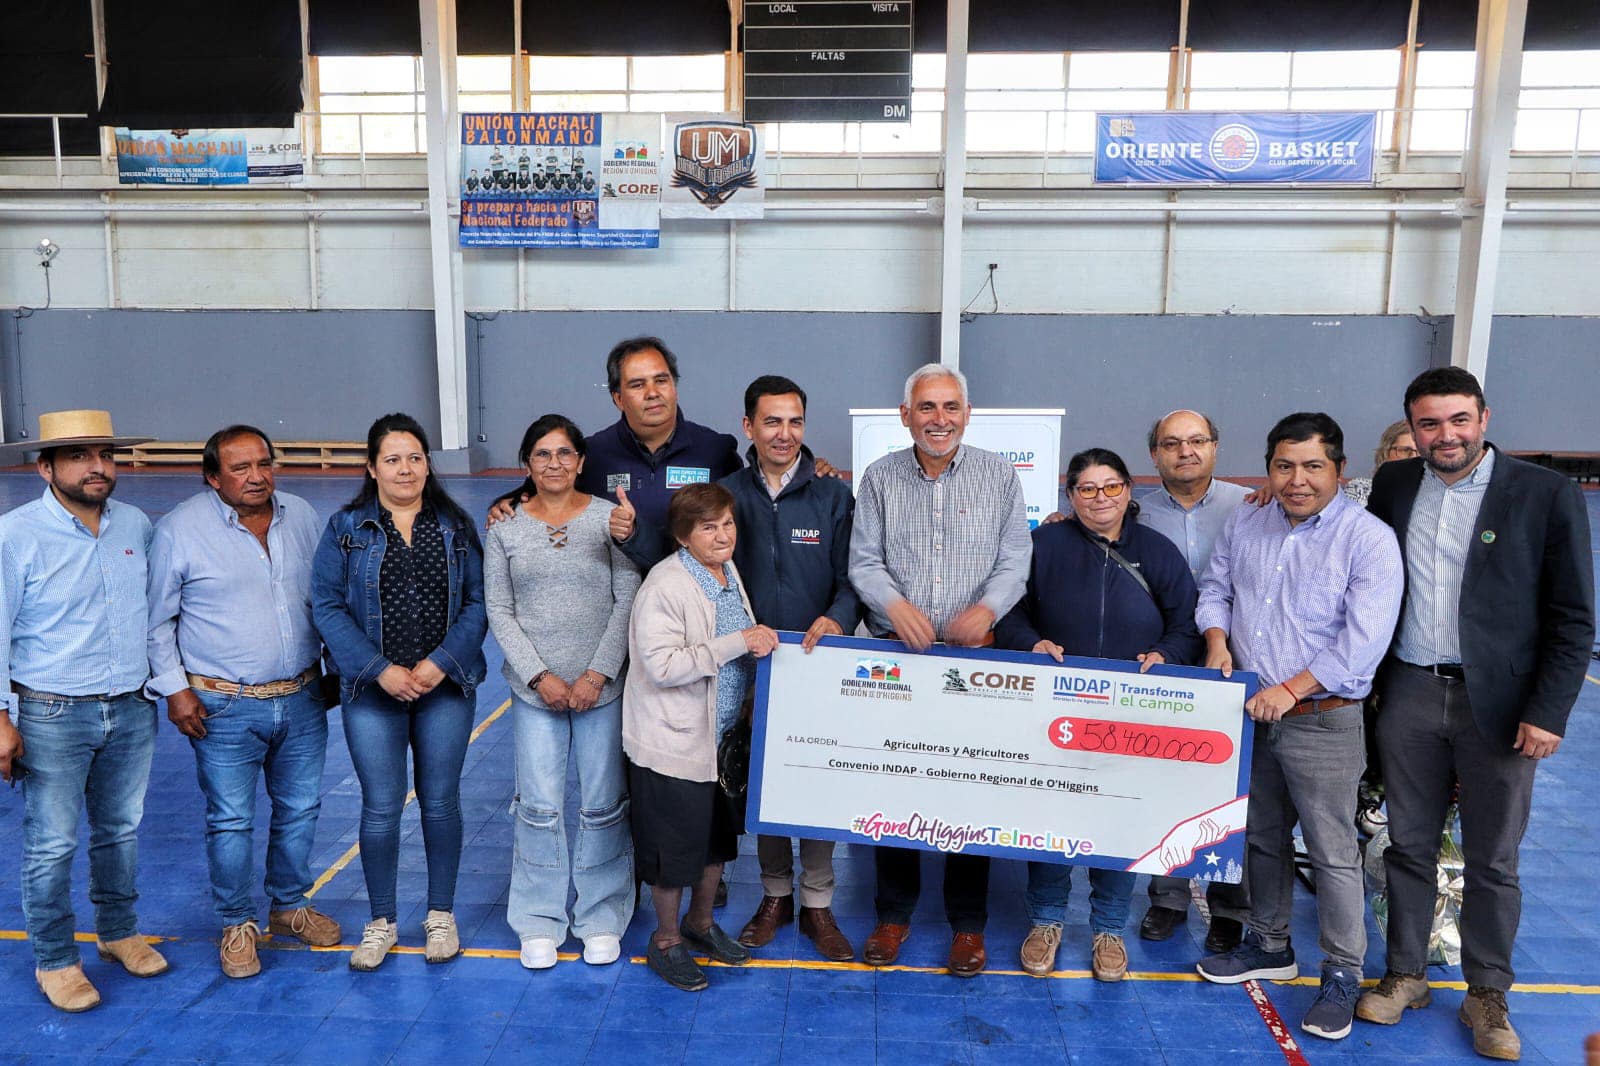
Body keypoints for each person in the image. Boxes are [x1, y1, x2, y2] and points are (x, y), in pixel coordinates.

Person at [1356, 367, 1594, 1061]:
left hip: (1503, 705)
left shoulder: (1544, 493)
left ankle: (1487, 992)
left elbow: (1573, 616)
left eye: (1459, 419)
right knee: (1407, 845)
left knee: (1493, 857)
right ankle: (1405, 974)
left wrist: (1549, 711)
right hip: (1409, 691)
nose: (1446, 435)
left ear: (1483, 418)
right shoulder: (1395, 485)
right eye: (1429, 423)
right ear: (1412, 427)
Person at [1194, 412, 1403, 1042]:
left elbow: (1362, 644)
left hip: (1322, 720)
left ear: (1339, 469)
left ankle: (1341, 973)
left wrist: (1291, 689)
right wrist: (1216, 641)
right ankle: (1270, 944)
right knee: (1262, 837)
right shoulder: (1248, 520)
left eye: (1313, 466)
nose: (1297, 480)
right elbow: (1216, 587)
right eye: (1284, 466)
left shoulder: (1368, 540)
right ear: (1268, 469)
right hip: (1252, 715)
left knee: (1333, 853)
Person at [849, 363, 1031, 978]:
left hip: (975, 664)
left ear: (967, 414)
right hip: (897, 661)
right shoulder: (879, 478)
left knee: (969, 787)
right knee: (895, 781)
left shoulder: (999, 475)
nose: (939, 419)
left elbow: (1016, 558)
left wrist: (989, 609)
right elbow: (863, 561)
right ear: (906, 416)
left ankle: (968, 926)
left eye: (950, 407)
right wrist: (894, 605)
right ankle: (893, 915)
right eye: (926, 407)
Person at [996, 447, 1202, 981]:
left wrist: (1167, 655)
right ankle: (1045, 921)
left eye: (1111, 486)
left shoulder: (1158, 551)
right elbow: (1009, 613)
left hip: (1130, 717)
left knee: (1119, 820)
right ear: (1070, 496)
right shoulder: (1043, 546)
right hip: (1054, 711)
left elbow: (1186, 625)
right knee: (1052, 818)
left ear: (1128, 491)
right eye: (1087, 488)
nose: (1100, 498)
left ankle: (1109, 929)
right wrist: (1032, 642)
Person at [145, 425, 339, 979]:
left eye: (263, 463)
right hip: (223, 705)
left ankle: (289, 907)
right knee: (231, 820)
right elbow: (156, 621)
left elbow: (325, 599)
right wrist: (176, 690)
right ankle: (236, 924)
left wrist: (332, 666)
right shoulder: (180, 530)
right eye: (240, 468)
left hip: (303, 696)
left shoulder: (303, 516)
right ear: (213, 477)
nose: (257, 476)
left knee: (301, 808)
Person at [0, 409, 167, 1012]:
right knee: (52, 843)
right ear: (45, 468)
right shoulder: (14, 535)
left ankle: (118, 932)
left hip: (130, 705)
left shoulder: (135, 524)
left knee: (120, 831)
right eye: (78, 456)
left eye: (104, 455)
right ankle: (55, 960)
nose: (97, 467)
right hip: (51, 712)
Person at [311, 413, 487, 972]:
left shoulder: (455, 526)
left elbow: (478, 602)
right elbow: (327, 606)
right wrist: (378, 669)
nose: (405, 469)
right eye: (392, 459)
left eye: (414, 457)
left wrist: (440, 663)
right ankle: (381, 920)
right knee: (381, 807)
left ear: (428, 465)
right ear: (372, 467)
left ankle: (441, 914)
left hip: (444, 689)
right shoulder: (345, 528)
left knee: (441, 802)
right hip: (373, 692)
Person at [484, 414, 640, 971]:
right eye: (542, 454)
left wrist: (598, 674)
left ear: (580, 462)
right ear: (527, 464)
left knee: (603, 805)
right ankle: (538, 920)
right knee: (538, 807)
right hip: (536, 696)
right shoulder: (503, 529)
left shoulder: (608, 520)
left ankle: (602, 916)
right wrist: (538, 677)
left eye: (564, 453)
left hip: (603, 690)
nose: (554, 464)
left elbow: (628, 597)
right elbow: (499, 609)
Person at [722, 376, 860, 962]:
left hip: (818, 664)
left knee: (818, 780)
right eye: (772, 421)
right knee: (768, 783)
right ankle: (775, 895)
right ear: (748, 426)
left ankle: (818, 903)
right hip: (753, 668)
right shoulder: (727, 495)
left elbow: (853, 578)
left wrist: (837, 619)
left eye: (795, 421)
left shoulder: (832, 495)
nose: (785, 433)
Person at [623, 483, 778, 991]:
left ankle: (701, 923)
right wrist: (740, 642)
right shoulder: (665, 585)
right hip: (675, 743)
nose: (723, 535)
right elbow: (663, 666)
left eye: (727, 524)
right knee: (674, 853)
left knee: (716, 842)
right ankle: (666, 939)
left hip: (722, 739)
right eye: (708, 527)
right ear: (683, 536)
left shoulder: (727, 573)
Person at [1134, 409, 1254, 953]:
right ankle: (1168, 897)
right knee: (1168, 781)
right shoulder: (1135, 511)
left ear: (1215, 446)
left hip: (1237, 661)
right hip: (1166, 661)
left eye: (1197, 440)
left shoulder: (1253, 505)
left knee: (1236, 786)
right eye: (1172, 443)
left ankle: (1230, 908)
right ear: (1155, 453)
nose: (1186, 451)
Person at [491, 337, 742, 574]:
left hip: (694, 595)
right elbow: (546, 499)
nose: (652, 392)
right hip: (614, 595)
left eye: (661, 380)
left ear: (674, 387)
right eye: (637, 384)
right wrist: (510, 503)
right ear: (618, 399)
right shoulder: (593, 455)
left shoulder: (715, 451)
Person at [1343, 419, 1417, 506]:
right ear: (1385, 454)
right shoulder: (1361, 489)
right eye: (1405, 450)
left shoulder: (1429, 498)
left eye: (1421, 452)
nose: (1414, 457)